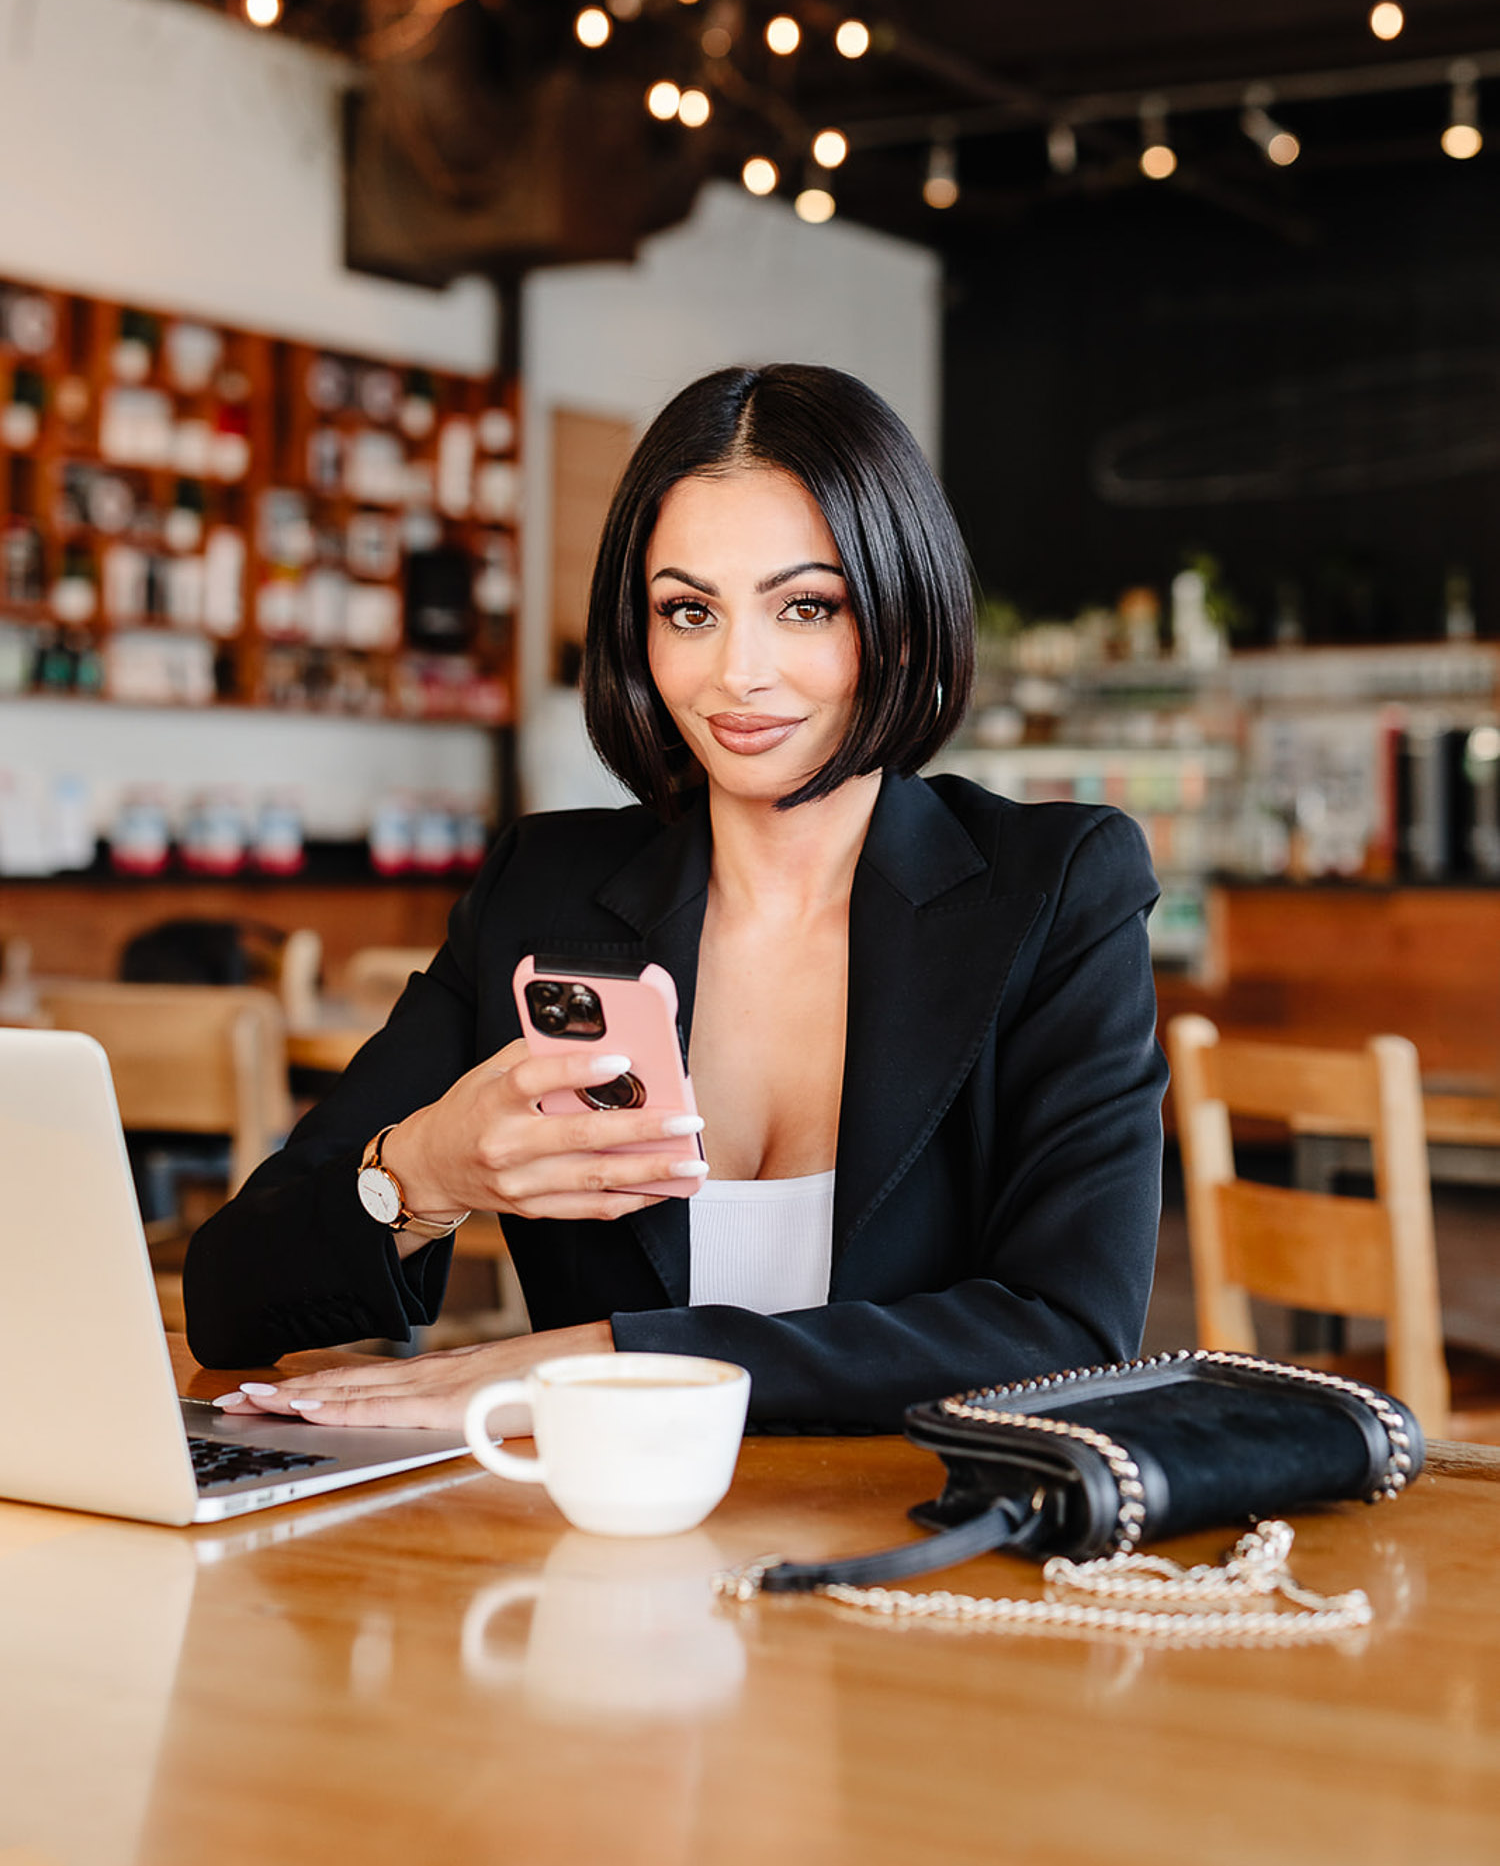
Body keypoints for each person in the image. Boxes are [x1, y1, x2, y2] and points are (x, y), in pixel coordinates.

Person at [187, 364, 1165, 1432]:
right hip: (610, 1557)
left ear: (897, 614)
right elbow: (229, 1299)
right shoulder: (544, 889)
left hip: (919, 1556)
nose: (738, 673)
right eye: (688, 610)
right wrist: (422, 1167)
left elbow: (1068, 1331)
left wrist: (609, 1357)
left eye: (805, 605)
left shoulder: (1055, 888)